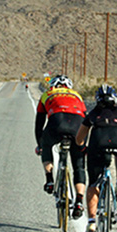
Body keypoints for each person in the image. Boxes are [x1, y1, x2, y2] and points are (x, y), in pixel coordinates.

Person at [75, 84, 117, 232]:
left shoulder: (93, 114)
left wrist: (82, 148)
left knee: (93, 184)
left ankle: (92, 222)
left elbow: (79, 138)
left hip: (97, 147)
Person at [35, 75, 87, 219]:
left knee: (47, 146)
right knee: (79, 165)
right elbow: (86, 120)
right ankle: (79, 201)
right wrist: (84, 146)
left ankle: (50, 180)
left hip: (56, 124)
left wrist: (40, 145)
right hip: (77, 126)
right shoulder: (77, 95)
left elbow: (39, 124)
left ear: (53, 86)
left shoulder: (47, 94)